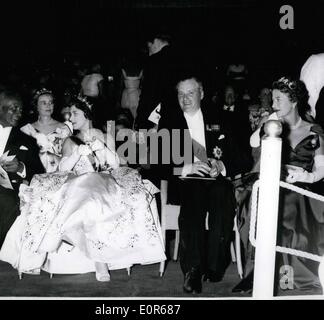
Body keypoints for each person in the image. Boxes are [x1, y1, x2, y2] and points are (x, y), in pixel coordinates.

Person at [0, 97, 166, 282]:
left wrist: (102, 148)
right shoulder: (70, 140)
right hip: (77, 183)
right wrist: (77, 153)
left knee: (100, 196)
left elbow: (116, 164)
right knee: (85, 199)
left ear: (87, 114)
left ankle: (100, 256)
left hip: (104, 182)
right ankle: (97, 259)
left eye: (75, 113)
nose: (71, 117)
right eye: (70, 114)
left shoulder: (105, 136)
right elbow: (63, 168)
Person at [234, 77, 324, 293]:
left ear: (293, 101)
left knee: (287, 203)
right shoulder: (273, 127)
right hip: (275, 183)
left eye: (277, 100)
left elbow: (321, 169)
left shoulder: (314, 129)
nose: (272, 104)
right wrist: (272, 119)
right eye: (272, 99)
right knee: (254, 198)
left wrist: (306, 176)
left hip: (303, 188)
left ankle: (286, 276)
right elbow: (253, 143)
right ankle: (257, 272)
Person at [158, 75, 241, 294]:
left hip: (215, 179)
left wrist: (221, 165)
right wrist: (185, 168)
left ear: (201, 94)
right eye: (181, 94)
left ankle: (214, 265)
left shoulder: (220, 118)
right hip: (185, 181)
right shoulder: (168, 122)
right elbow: (157, 163)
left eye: (191, 93)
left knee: (223, 194)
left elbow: (241, 157)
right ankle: (193, 270)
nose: (185, 99)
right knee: (193, 199)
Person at [0, 90, 45, 266]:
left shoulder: (27, 141)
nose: (19, 113)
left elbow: (39, 173)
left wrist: (21, 168)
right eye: (13, 109)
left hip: (7, 191)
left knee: (5, 201)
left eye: (20, 109)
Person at [20, 89, 71, 173]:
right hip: (35, 173)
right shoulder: (26, 130)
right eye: (44, 103)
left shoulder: (63, 128)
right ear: (36, 106)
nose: (48, 105)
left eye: (51, 102)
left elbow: (69, 154)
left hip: (59, 173)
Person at [135, 30, 177, 130]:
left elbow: (149, 95)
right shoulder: (182, 59)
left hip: (158, 118)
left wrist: (140, 122)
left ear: (156, 41)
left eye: (149, 47)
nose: (149, 53)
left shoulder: (154, 61)